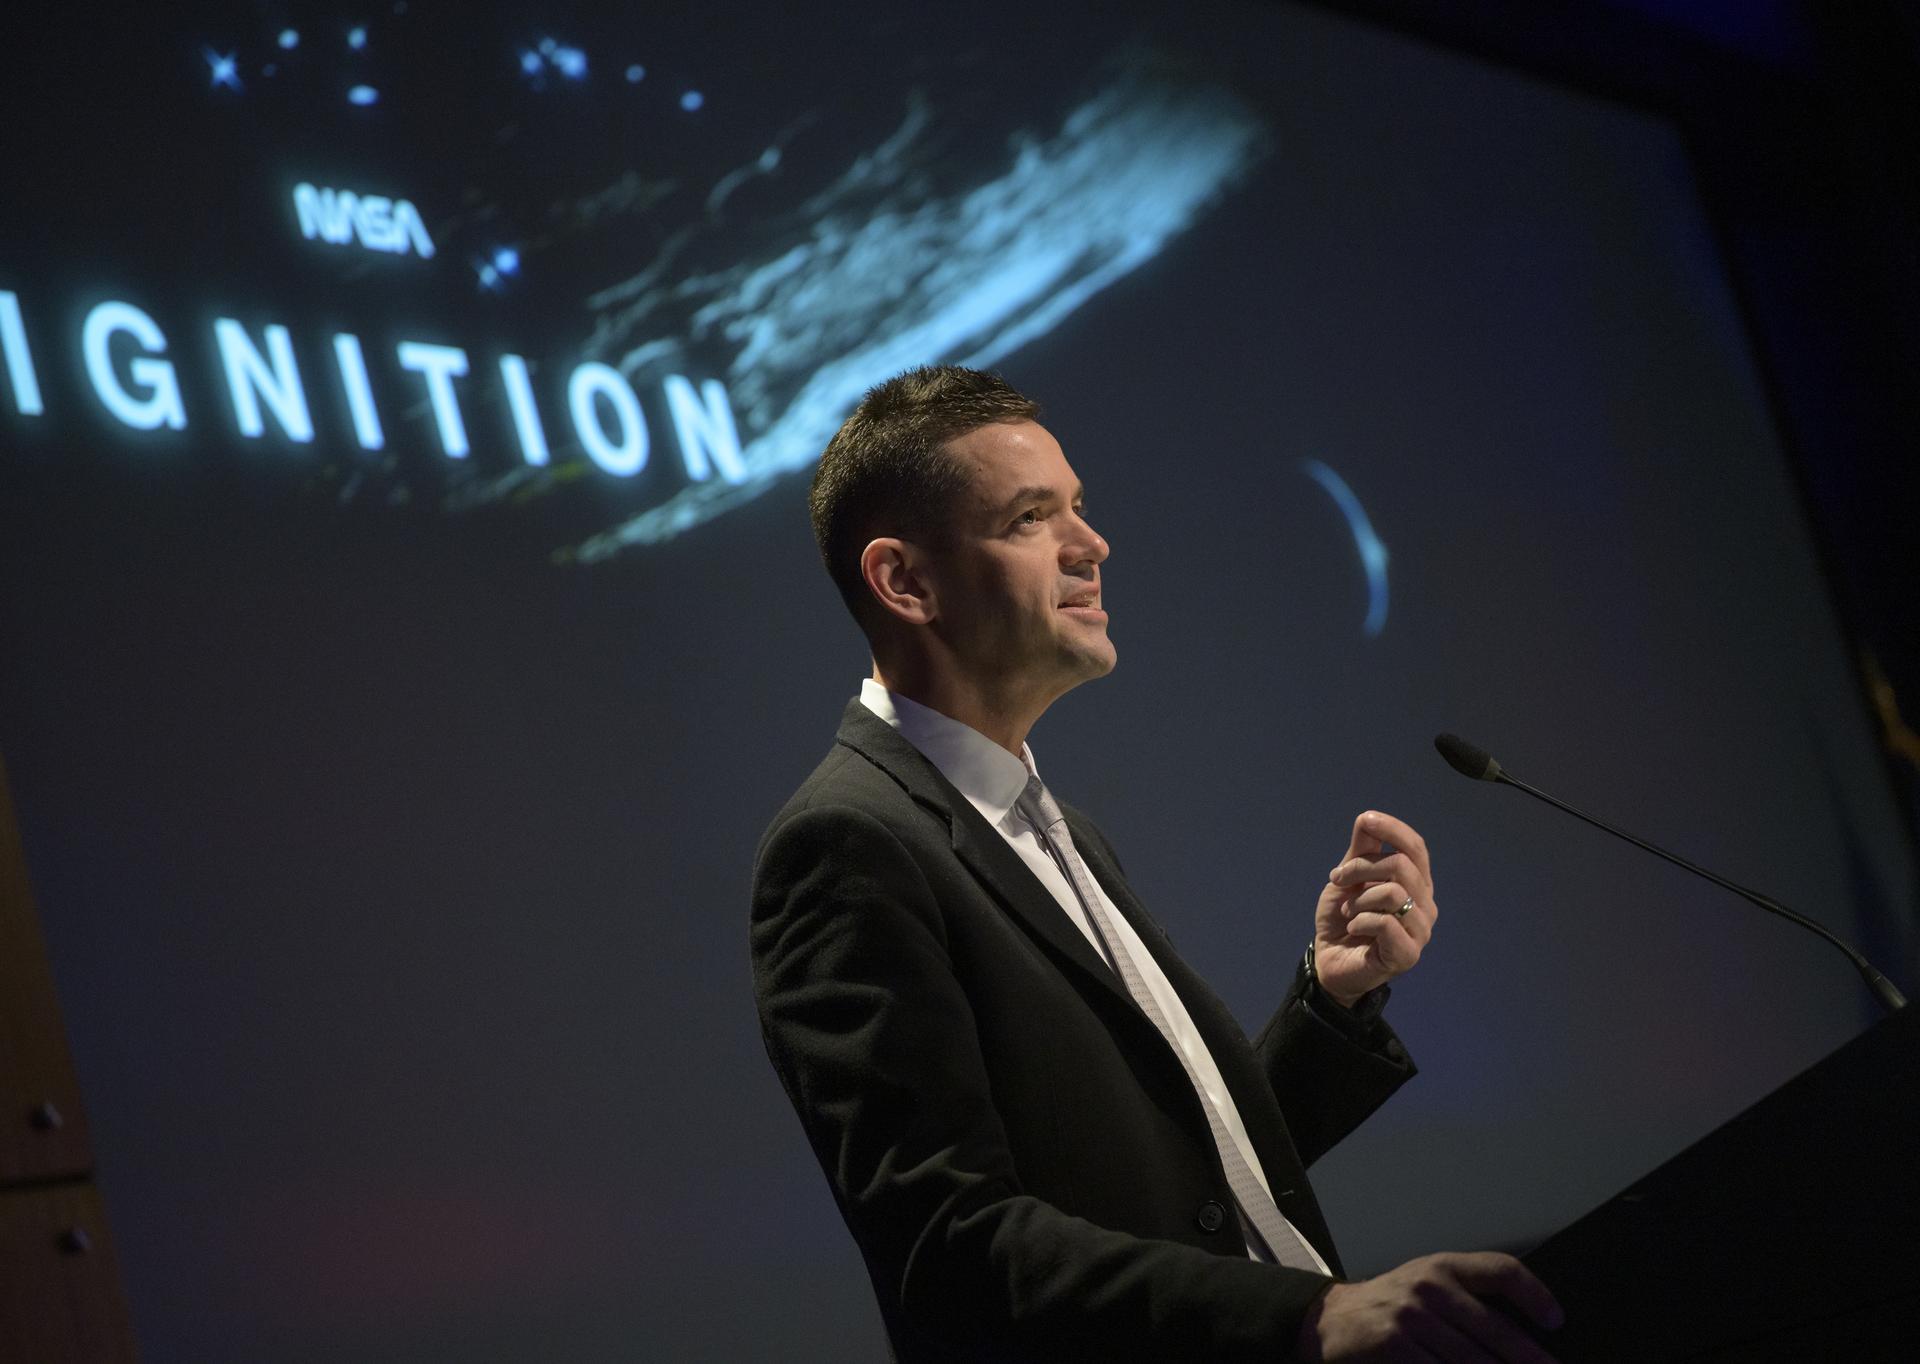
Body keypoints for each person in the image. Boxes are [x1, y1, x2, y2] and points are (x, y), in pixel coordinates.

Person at [750, 366, 1563, 1361]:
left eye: (1079, 510)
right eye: (1029, 519)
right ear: (904, 580)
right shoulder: (848, 845)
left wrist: (1331, 1005)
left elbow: (1181, 1195)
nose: (1093, 546)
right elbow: (950, 1246)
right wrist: (1311, 1315)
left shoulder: (1061, 827)